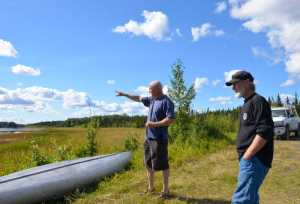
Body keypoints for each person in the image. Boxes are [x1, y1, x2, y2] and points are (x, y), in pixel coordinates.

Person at [116, 80, 175, 199]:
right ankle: (151, 188)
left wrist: (153, 124)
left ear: (158, 89)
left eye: (150, 89)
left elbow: (170, 119)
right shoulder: (152, 99)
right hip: (148, 138)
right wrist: (125, 94)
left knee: (163, 165)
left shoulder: (166, 102)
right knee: (148, 164)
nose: (149, 91)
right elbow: (138, 98)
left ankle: (166, 191)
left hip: (159, 139)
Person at [225, 70, 274, 204]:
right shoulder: (247, 103)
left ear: (247, 82)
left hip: (254, 159)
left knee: (241, 200)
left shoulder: (258, 101)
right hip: (249, 160)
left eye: (235, 84)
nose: (233, 88)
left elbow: (264, 132)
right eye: (232, 85)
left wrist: (247, 156)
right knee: (250, 198)